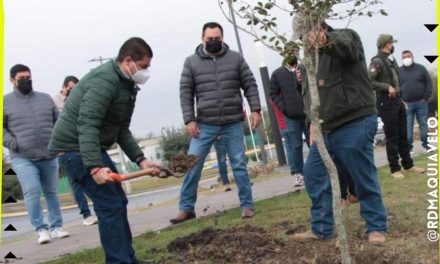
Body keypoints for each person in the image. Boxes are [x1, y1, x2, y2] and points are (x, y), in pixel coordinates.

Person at [49, 37, 161, 264]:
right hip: (76, 150)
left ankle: (126, 257)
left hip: (88, 148)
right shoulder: (105, 81)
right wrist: (94, 167)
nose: (146, 72)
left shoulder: (125, 85)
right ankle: (119, 261)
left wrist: (140, 160)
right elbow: (87, 123)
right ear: (128, 61)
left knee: (118, 201)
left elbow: (121, 129)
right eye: (144, 67)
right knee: (109, 205)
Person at [292, 23, 388, 245]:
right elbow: (310, 95)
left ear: (320, 27)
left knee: (361, 175)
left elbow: (347, 48)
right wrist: (312, 122)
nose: (304, 38)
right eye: (301, 36)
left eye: (307, 33)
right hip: (325, 128)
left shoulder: (346, 36)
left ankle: (376, 227)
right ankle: (323, 228)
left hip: (354, 120)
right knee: (314, 173)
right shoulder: (308, 59)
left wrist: (326, 41)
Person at [171, 22, 261, 224]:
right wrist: (189, 119)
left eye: (217, 39)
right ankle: (186, 208)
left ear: (222, 38)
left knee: (238, 163)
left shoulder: (236, 58)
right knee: (192, 165)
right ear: (202, 39)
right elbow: (185, 93)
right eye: (209, 39)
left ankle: (247, 205)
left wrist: (256, 109)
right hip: (204, 124)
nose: (213, 42)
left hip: (232, 122)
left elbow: (250, 84)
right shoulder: (191, 62)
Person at [3, 64, 70, 244]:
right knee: (32, 191)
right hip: (22, 157)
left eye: (28, 77)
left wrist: (57, 140)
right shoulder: (5, 102)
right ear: (12, 81)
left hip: (49, 154)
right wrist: (14, 143)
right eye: (22, 78)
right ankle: (41, 229)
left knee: (52, 193)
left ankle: (56, 226)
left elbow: (59, 121)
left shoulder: (45, 99)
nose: (26, 81)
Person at [369, 35, 425, 179]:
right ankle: (395, 169)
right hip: (386, 102)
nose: (392, 45)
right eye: (390, 43)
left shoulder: (390, 60)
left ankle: (408, 164)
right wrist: (387, 86)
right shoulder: (377, 61)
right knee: (392, 136)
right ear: (385, 44)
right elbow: (370, 82)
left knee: (403, 134)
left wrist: (401, 98)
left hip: (398, 100)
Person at [53, 75, 98, 226]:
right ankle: (86, 214)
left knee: (92, 177)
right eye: (71, 89)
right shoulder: (55, 103)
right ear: (64, 87)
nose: (74, 92)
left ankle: (99, 208)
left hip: (81, 145)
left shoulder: (81, 101)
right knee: (76, 182)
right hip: (65, 149)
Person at [269, 55, 309, 187]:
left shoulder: (305, 68)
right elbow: (273, 94)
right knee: (296, 146)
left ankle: (321, 170)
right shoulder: (277, 74)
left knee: (314, 143)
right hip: (291, 116)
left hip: (308, 114)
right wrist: (284, 108)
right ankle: (299, 174)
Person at [398, 50, 433, 153]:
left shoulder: (421, 68)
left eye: (408, 56)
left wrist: (425, 97)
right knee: (408, 126)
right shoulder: (398, 71)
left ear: (412, 57)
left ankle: (426, 145)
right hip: (407, 104)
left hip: (421, 102)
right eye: (404, 57)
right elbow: (397, 86)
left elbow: (429, 83)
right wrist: (401, 100)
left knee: (423, 124)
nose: (406, 59)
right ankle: (409, 147)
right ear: (402, 59)